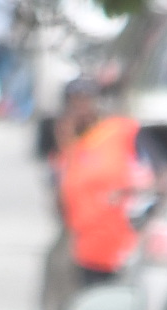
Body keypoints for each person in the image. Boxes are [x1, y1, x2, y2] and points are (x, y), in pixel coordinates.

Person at [54, 83, 144, 281]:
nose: (81, 108)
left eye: (86, 100)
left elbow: (152, 163)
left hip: (128, 250)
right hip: (90, 254)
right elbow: (62, 205)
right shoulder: (70, 154)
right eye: (74, 104)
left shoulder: (117, 131)